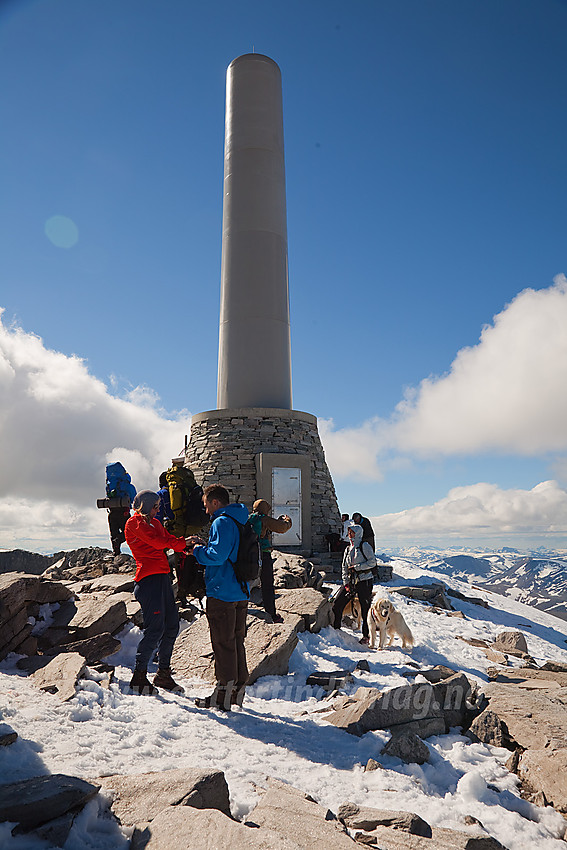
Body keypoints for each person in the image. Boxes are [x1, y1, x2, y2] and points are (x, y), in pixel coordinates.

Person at [186, 484, 249, 711]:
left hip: (222, 592)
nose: (205, 511)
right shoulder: (241, 519)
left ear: (215, 502)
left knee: (223, 645)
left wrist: (197, 552)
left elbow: (218, 555)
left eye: (206, 505)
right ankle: (237, 691)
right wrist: (207, 546)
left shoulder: (221, 521)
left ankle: (222, 697)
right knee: (236, 642)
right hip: (240, 591)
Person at [125, 490, 188, 695]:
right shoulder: (133, 523)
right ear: (145, 504)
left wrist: (184, 543)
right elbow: (159, 543)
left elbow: (167, 539)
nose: (158, 509)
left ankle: (163, 674)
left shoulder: (155, 523)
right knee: (155, 629)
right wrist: (181, 543)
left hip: (161, 577)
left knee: (171, 625)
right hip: (147, 580)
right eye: (155, 505)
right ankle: (139, 676)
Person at [332, 523, 376, 645]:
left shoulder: (364, 546)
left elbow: (372, 562)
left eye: (352, 533)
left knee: (365, 608)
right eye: (349, 533)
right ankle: (336, 630)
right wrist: (346, 582)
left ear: (358, 534)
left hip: (364, 581)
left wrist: (357, 567)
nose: (350, 535)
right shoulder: (347, 548)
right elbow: (344, 567)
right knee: (337, 604)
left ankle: (366, 636)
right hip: (351, 582)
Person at [248, 499, 291, 623]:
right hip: (264, 554)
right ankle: (271, 613)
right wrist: (287, 520)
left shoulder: (249, 518)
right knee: (267, 584)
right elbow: (282, 527)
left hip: (250, 554)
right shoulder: (264, 519)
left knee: (248, 581)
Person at [105, 462, 136, 556]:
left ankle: (116, 552)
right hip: (124, 512)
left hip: (112, 512)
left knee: (113, 532)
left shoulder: (110, 485)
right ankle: (120, 541)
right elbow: (134, 498)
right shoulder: (127, 485)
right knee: (129, 532)